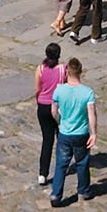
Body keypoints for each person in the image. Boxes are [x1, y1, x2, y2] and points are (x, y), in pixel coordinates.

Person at [49, 56, 97, 207]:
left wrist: (59, 122)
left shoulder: (59, 90)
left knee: (61, 164)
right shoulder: (87, 92)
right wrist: (94, 133)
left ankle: (56, 194)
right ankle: (83, 191)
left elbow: (53, 111)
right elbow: (91, 114)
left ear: (67, 72)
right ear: (80, 72)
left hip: (65, 132)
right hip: (81, 133)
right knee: (82, 163)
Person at [34, 41, 66, 187]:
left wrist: (39, 101)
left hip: (43, 107)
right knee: (61, 139)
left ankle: (43, 173)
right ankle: (61, 168)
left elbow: (37, 89)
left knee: (47, 140)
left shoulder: (40, 69)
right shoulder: (63, 70)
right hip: (58, 108)